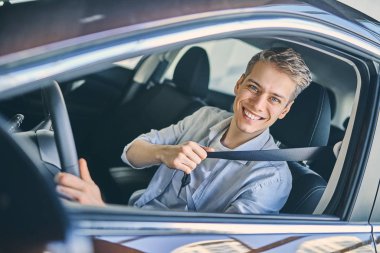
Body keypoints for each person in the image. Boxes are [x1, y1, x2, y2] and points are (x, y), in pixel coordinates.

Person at [56, 47, 312, 214]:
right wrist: (163, 153)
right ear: (238, 84)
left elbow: (214, 247)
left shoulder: (270, 179)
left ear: (285, 111)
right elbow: (131, 152)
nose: (257, 104)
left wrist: (100, 212)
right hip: (135, 212)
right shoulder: (206, 116)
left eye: (274, 99)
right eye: (254, 87)